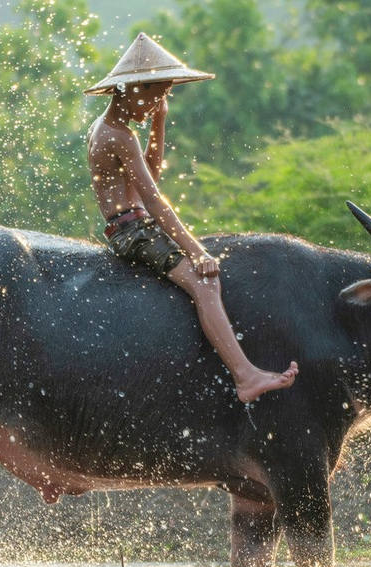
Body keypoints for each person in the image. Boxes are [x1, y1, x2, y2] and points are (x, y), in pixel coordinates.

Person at [85, 32, 296, 403]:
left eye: (164, 95)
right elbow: (154, 201)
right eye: (156, 94)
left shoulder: (109, 129)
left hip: (131, 225)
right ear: (129, 89)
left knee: (205, 274)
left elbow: (150, 176)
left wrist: (159, 124)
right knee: (205, 284)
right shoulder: (118, 136)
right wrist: (196, 250)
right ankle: (245, 376)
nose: (157, 103)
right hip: (134, 231)